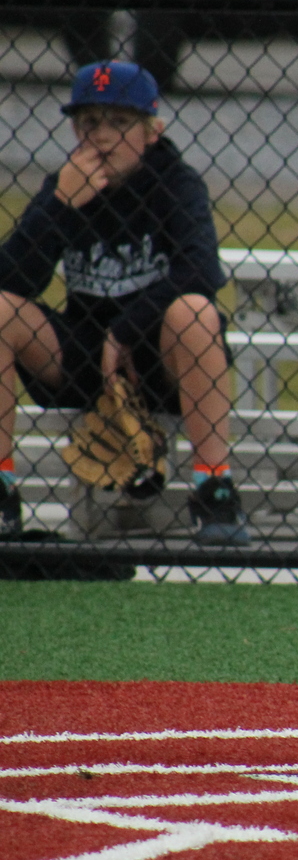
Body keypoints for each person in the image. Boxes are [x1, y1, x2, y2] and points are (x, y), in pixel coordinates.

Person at [0, 61, 248, 545]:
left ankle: (214, 486)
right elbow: (12, 279)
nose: (104, 137)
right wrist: (60, 207)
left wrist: (125, 331)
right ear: (74, 129)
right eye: (90, 123)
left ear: (153, 130)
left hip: (159, 357)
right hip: (83, 355)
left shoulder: (175, 183)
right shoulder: (65, 186)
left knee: (194, 310)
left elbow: (200, 271)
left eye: (120, 122)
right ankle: (1, 487)